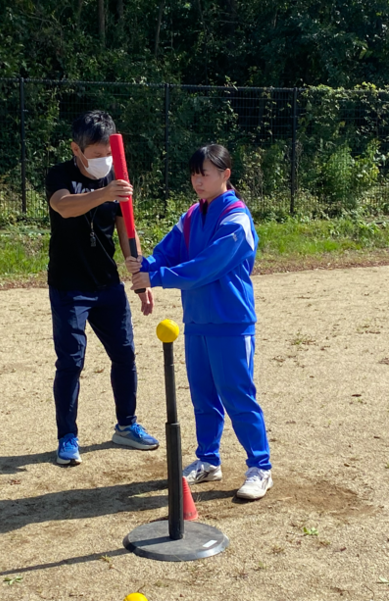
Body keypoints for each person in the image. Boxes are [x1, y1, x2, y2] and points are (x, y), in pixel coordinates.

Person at [126, 144, 272, 500]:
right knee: (203, 397)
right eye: (194, 174)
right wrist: (145, 265)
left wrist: (157, 276)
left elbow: (207, 266)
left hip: (231, 321)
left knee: (238, 396)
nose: (197, 181)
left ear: (225, 174)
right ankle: (208, 460)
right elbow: (167, 251)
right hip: (197, 321)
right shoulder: (192, 215)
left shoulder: (236, 218)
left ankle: (260, 468)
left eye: (204, 173)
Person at [45, 110, 159, 466]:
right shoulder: (59, 175)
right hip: (68, 286)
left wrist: (139, 279)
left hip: (107, 284)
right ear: (76, 150)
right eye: (96, 154)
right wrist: (105, 192)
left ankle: (126, 425)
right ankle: (67, 437)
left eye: (108, 153)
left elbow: (127, 230)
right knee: (71, 362)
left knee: (125, 354)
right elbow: (63, 207)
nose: (103, 160)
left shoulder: (115, 176)